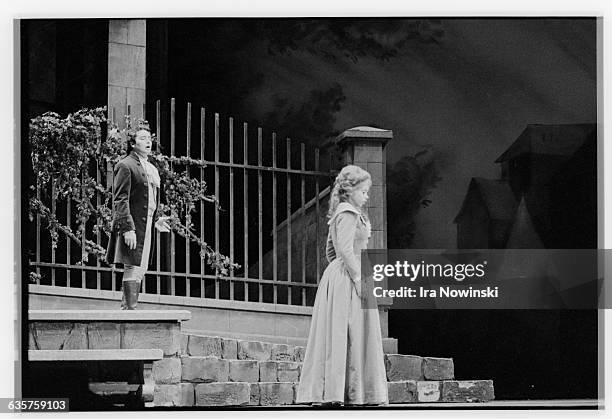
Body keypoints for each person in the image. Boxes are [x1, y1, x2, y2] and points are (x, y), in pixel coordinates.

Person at [295, 165, 389, 406]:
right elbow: (344, 250)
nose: (367, 195)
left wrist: (342, 272)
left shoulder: (345, 212)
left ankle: (350, 391)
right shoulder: (347, 212)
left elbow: (330, 250)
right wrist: (356, 278)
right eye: (364, 191)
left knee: (355, 334)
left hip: (349, 273)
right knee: (347, 332)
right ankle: (344, 393)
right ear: (350, 190)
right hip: (351, 276)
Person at [106, 123, 170, 309]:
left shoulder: (150, 167)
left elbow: (148, 199)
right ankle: (130, 310)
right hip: (133, 226)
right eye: (143, 138)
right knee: (132, 266)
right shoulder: (126, 165)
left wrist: (156, 219)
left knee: (141, 268)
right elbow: (120, 200)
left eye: (149, 139)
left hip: (147, 224)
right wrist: (127, 229)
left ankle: (128, 308)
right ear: (133, 144)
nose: (148, 142)